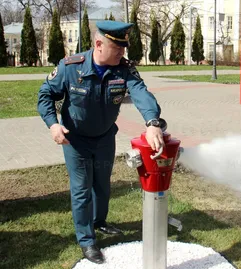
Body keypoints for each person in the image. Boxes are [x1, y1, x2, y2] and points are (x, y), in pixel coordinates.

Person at [37, 20, 165, 264]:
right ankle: (87, 240)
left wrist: (152, 123)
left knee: (102, 184)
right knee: (82, 189)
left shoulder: (123, 68)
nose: (122, 53)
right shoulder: (70, 67)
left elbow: (140, 92)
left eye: (123, 48)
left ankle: (99, 221)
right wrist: (53, 124)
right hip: (76, 141)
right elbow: (44, 95)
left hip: (105, 137)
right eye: (117, 48)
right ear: (98, 44)